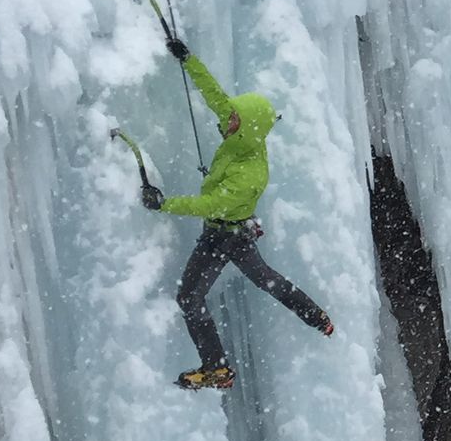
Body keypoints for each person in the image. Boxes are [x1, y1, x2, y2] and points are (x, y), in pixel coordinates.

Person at [118, 33, 333, 391]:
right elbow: (212, 91)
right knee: (259, 281)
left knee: (213, 292)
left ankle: (224, 363)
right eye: (231, 116)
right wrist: (186, 58)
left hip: (228, 235)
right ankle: (224, 363)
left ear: (248, 127)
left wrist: (164, 203)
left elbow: (211, 205)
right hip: (226, 231)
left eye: (234, 119)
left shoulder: (252, 172)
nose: (227, 120)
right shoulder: (240, 129)